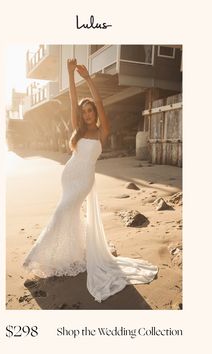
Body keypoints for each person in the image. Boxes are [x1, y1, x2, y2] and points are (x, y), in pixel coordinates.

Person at [22, 58, 158, 303]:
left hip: (84, 180)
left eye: (89, 111)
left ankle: (38, 255)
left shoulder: (101, 130)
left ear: (94, 112)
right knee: (68, 214)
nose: (86, 114)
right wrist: (69, 74)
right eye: (84, 112)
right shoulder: (79, 130)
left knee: (62, 212)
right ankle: (71, 254)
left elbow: (100, 103)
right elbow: (73, 102)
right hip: (69, 176)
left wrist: (88, 79)